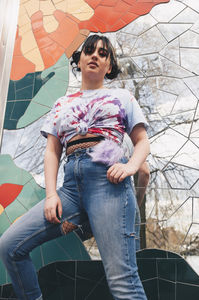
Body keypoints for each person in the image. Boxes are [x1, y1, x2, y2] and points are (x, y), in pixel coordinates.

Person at [0, 34, 150, 300]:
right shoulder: (62, 104)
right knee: (10, 246)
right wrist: (50, 194)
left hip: (110, 185)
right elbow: (51, 152)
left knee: (122, 280)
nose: (94, 56)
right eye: (89, 51)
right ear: (78, 60)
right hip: (70, 189)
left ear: (109, 66)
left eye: (103, 54)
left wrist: (129, 168)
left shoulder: (123, 97)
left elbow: (141, 143)